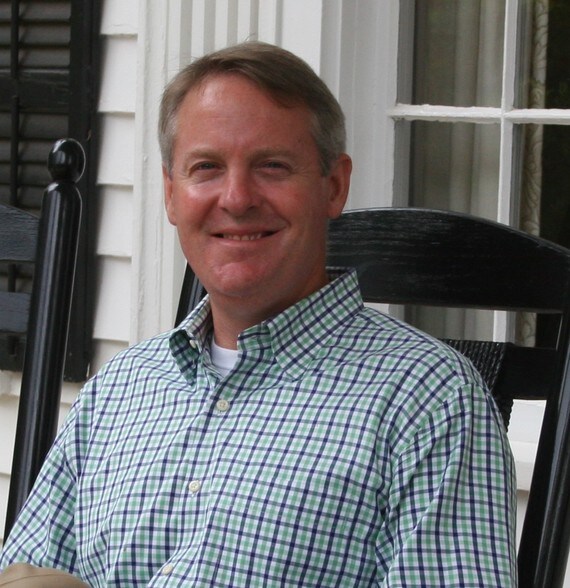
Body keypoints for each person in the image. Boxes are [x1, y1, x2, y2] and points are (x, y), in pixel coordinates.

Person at [0, 41, 517, 586]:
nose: (237, 198)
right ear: (172, 193)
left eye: (272, 166)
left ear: (334, 186)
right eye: (206, 167)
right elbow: (23, 575)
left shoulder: (429, 401)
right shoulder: (120, 390)